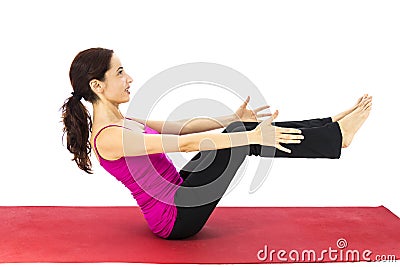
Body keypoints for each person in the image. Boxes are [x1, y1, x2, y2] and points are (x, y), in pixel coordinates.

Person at [60, 47, 372, 240]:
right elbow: (181, 146)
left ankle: (329, 127)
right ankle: (336, 137)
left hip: (180, 191)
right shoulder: (110, 137)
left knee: (240, 132)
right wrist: (246, 136)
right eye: (120, 72)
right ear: (98, 85)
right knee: (240, 139)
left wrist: (232, 119)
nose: (129, 78)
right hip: (175, 219)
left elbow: (182, 130)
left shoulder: (123, 121)